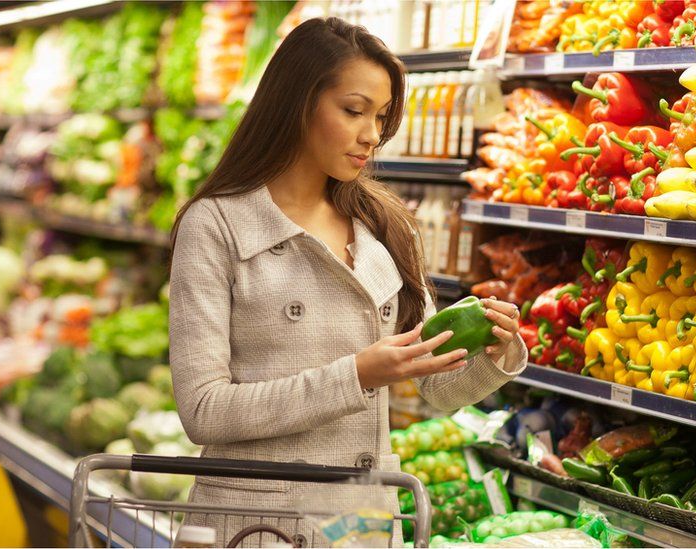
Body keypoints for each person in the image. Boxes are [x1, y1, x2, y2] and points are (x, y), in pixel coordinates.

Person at [169, 17, 528, 547]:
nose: (372, 135)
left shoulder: (386, 225)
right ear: (297, 103)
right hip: (258, 522)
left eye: (381, 116)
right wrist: (356, 375)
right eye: (353, 111)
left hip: (359, 519)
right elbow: (203, 410)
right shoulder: (217, 225)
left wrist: (496, 352)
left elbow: (437, 388)